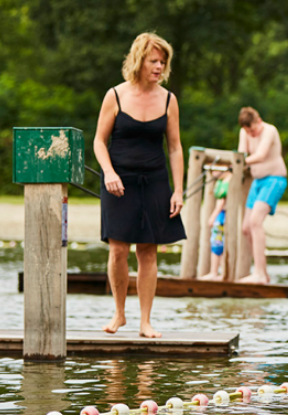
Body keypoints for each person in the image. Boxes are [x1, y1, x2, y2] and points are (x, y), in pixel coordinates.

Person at [93, 32, 186, 338]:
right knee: (119, 250)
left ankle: (146, 321)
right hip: (119, 182)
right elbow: (98, 141)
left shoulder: (169, 99)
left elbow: (174, 148)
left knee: (148, 251)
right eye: (153, 61)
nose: (159, 67)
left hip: (155, 181)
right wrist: (108, 172)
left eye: (163, 61)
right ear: (139, 61)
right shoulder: (115, 95)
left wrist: (178, 190)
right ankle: (119, 314)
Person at [236, 107, 288, 284]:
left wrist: (236, 162)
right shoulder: (245, 133)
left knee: (255, 221)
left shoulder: (269, 130)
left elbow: (260, 155)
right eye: (248, 131)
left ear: (258, 121)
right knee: (245, 227)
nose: (251, 134)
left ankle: (259, 273)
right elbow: (241, 154)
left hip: (274, 179)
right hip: (257, 182)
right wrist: (236, 162)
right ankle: (262, 273)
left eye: (253, 130)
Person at [199, 169, 232, 281]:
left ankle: (216, 273)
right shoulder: (223, 181)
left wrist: (213, 216)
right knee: (219, 244)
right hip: (223, 216)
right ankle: (219, 272)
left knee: (218, 244)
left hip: (222, 217)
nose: (212, 173)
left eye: (214, 170)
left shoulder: (228, 181)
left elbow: (221, 202)